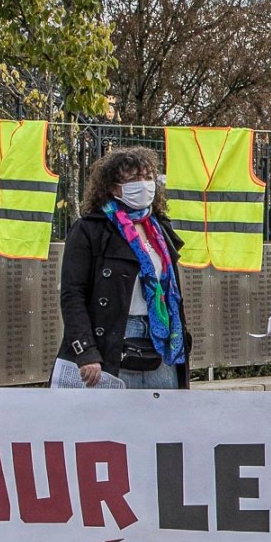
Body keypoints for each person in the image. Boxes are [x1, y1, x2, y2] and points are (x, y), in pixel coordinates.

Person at [58, 147, 191, 390]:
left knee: (163, 412)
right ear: (112, 187)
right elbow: (72, 294)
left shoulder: (159, 228)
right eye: (133, 179)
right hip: (115, 337)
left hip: (162, 340)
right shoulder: (89, 229)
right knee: (115, 414)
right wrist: (86, 350)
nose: (143, 184)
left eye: (148, 177)